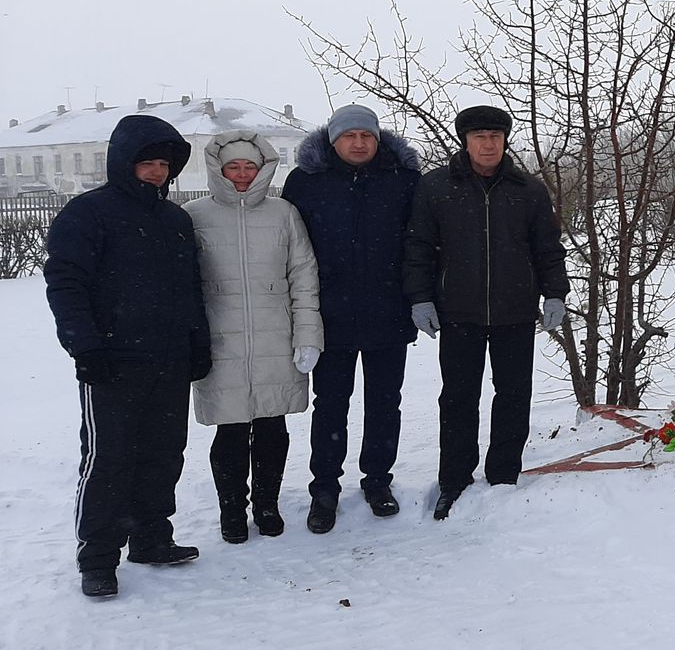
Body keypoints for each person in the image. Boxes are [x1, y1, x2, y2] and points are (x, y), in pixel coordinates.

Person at [44, 114, 211, 598]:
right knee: (109, 457)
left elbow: (189, 289)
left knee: (163, 453)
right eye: (147, 162)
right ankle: (97, 556)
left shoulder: (175, 219)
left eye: (164, 163)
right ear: (124, 162)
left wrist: (196, 341)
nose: (157, 171)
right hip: (113, 361)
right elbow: (66, 283)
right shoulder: (88, 213)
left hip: (170, 358)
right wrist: (86, 346)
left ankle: (151, 538)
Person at [404, 105, 571, 520]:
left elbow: (547, 248)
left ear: (504, 140)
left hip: (515, 310)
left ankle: (503, 476)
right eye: (479, 135)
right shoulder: (437, 187)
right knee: (459, 398)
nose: (488, 143)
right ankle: (454, 480)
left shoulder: (527, 189)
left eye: (495, 135)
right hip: (458, 312)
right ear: (465, 140)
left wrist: (554, 293)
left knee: (514, 396)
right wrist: (420, 298)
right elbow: (418, 248)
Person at [283, 105, 423, 533]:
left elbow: (421, 244)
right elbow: (289, 249)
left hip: (388, 312)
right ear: (333, 140)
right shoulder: (306, 182)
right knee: (331, 406)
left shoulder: (403, 180)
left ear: (378, 140)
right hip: (329, 316)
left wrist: (419, 297)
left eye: (367, 135)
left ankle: (378, 481)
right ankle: (324, 488)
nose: (358, 143)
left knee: (385, 403)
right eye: (350, 136)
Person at [185, 132, 323, 544]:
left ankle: (267, 504)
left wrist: (308, 334)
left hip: (274, 337)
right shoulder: (194, 215)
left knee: (271, 427)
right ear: (219, 170)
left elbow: (303, 274)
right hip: (220, 341)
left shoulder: (284, 213)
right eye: (234, 167)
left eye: (250, 166)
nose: (243, 174)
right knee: (228, 432)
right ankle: (232, 508)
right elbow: (182, 283)